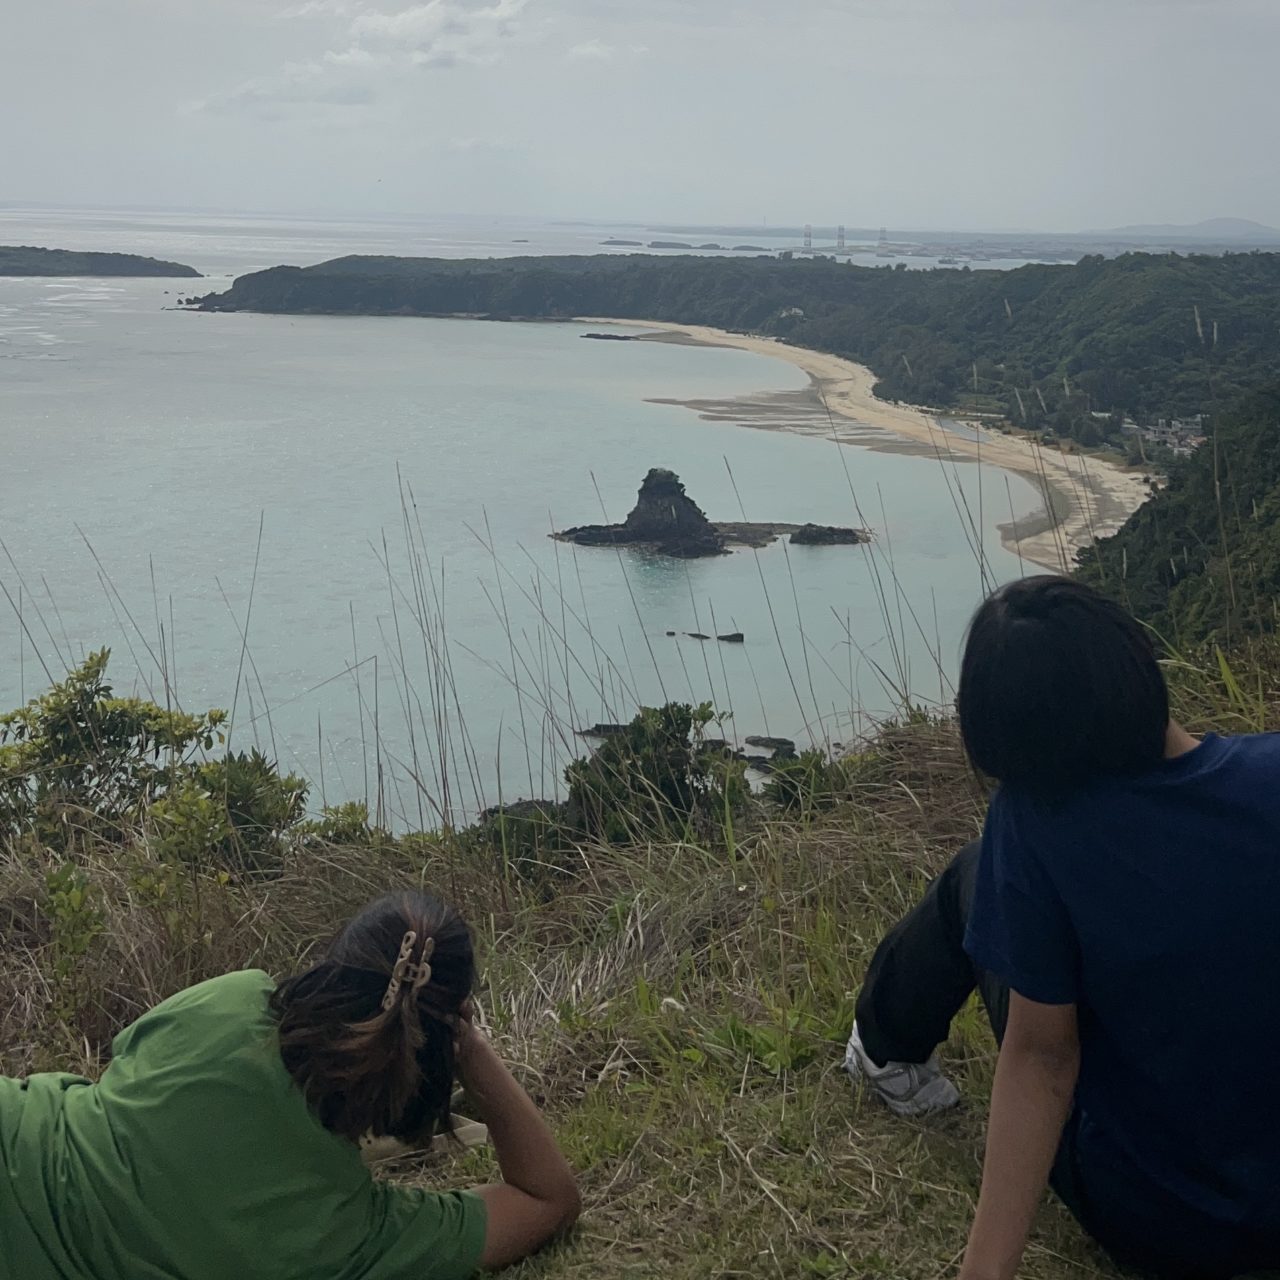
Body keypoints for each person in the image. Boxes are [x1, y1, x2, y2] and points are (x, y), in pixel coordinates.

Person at [845, 575, 1280, 1280]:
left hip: (1166, 1224)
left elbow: (1044, 1059)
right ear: (1139, 665)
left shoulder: (1035, 831)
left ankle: (884, 1049)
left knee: (971, 875)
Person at [0, 890, 581, 1279]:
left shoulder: (231, 1001)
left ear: (333, 967)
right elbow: (546, 1198)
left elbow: (124, 1071)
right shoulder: (349, 1234)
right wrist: (472, 1050)